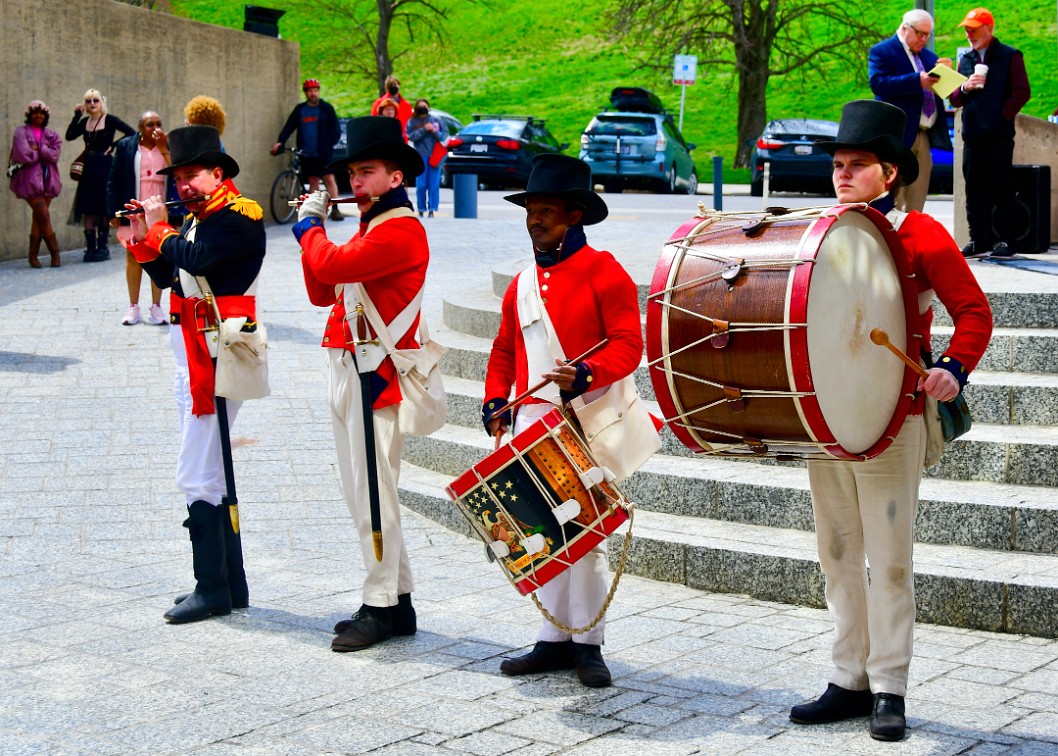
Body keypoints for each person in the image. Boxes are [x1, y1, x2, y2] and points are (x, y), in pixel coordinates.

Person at [791, 100, 992, 742]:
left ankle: (889, 689)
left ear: (889, 173)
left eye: (857, 166)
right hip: (827, 421)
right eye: (838, 166)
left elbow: (974, 313)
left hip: (894, 420)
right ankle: (847, 677)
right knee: (838, 554)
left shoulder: (920, 234)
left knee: (891, 561)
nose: (843, 175)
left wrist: (954, 369)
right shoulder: (820, 232)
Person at [482, 154, 643, 689]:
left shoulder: (605, 271)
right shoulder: (522, 282)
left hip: (584, 417)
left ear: (574, 215)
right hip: (531, 419)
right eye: (530, 210)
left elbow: (628, 345)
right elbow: (504, 349)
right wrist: (494, 401)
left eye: (546, 211)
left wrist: (589, 372)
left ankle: (588, 643)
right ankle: (554, 639)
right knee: (544, 532)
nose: (535, 220)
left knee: (587, 534)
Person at [292, 116, 428, 652]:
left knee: (372, 493)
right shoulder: (372, 227)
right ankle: (398, 599)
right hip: (353, 365)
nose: (356, 182)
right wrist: (313, 236)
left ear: (396, 178)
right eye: (352, 172)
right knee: (367, 491)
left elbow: (330, 263)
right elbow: (322, 289)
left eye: (367, 172)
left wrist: (310, 230)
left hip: (377, 373)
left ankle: (380, 605)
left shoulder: (401, 229)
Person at [123, 126, 266, 624]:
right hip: (195, 349)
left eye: (192, 175)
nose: (183, 185)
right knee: (212, 466)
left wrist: (159, 232)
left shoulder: (237, 217)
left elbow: (197, 259)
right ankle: (231, 583)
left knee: (198, 470)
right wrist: (141, 241)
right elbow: (175, 279)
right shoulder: (197, 220)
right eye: (178, 177)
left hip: (220, 352)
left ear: (219, 173)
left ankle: (212, 587)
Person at [948, 8, 1031, 259]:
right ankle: (978, 239)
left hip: (998, 135)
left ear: (989, 28)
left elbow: (1022, 92)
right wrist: (965, 85)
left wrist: (1001, 116)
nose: (968, 34)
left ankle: (1006, 239)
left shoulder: (1010, 56)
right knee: (974, 189)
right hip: (972, 135)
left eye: (973, 29)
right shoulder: (967, 59)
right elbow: (954, 97)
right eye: (966, 29)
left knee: (1002, 187)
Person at [868, 9, 953, 213]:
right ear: (905, 28)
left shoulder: (929, 57)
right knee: (890, 194)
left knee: (917, 197)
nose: (924, 39)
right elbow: (878, 84)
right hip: (896, 133)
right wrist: (917, 81)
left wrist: (948, 76)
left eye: (928, 35)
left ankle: (910, 239)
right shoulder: (883, 51)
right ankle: (887, 239)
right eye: (920, 33)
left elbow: (941, 93)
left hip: (924, 134)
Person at [107, 111, 174, 326]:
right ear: (140, 127)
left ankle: (156, 307)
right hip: (134, 209)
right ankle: (133, 307)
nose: (154, 128)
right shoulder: (127, 146)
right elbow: (114, 179)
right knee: (133, 255)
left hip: (160, 209)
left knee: (159, 254)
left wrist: (165, 149)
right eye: (149, 124)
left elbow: (177, 173)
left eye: (158, 123)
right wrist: (113, 211)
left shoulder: (168, 145)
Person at [65, 88, 134, 262]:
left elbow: (132, 132)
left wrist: (114, 145)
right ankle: (90, 249)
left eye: (95, 100)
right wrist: (76, 116)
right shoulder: (85, 122)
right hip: (89, 167)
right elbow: (69, 135)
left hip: (104, 166)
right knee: (88, 206)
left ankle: (102, 248)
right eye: (88, 101)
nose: (92, 104)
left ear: (102, 103)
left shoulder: (109, 120)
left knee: (103, 206)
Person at [272, 78, 344, 222]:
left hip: (324, 152)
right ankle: (314, 211)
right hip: (307, 152)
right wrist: (280, 142)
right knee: (313, 180)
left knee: (329, 179)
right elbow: (288, 127)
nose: (313, 93)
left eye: (315, 91)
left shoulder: (326, 108)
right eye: (310, 91)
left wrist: (329, 144)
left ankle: (335, 209)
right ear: (306, 93)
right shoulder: (300, 110)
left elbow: (336, 130)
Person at [9, 100, 63, 268]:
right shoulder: (21, 132)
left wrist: (38, 149)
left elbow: (55, 155)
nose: (38, 115)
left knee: (38, 218)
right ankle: (55, 253)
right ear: (29, 115)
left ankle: (32, 256)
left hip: (49, 181)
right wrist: (44, 151)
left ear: (46, 116)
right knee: (43, 215)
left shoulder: (52, 134)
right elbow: (22, 154)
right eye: (35, 112)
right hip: (30, 182)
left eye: (42, 113)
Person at [406, 99, 448, 218]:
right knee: (421, 185)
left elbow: (443, 136)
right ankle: (421, 208)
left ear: (428, 107)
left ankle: (432, 208)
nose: (423, 108)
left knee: (434, 184)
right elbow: (411, 136)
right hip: (420, 155)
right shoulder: (412, 121)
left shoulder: (436, 120)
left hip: (434, 156)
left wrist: (434, 131)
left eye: (425, 106)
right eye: (420, 106)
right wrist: (424, 129)